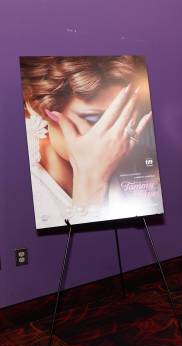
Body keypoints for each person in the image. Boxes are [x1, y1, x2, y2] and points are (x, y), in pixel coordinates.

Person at [20, 56, 158, 229]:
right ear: (40, 110)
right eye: (93, 120)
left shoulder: (148, 167)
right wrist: (90, 183)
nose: (117, 138)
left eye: (126, 115)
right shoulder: (21, 184)